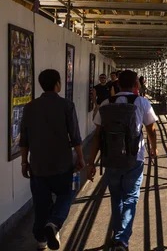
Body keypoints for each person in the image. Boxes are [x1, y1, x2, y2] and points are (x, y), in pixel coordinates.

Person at [87, 70, 158, 251]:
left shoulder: (105, 103)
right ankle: (122, 239)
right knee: (131, 198)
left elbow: (97, 135)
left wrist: (91, 162)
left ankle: (118, 235)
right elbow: (151, 128)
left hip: (111, 157)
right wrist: (153, 148)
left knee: (116, 197)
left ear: (117, 84)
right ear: (136, 85)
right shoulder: (141, 102)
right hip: (135, 157)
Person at [19, 69, 84, 251]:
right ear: (57, 83)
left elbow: (24, 139)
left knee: (41, 203)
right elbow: (75, 136)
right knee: (65, 195)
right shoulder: (66, 105)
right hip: (62, 163)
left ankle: (41, 239)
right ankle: (54, 224)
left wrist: (24, 162)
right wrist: (80, 157)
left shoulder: (30, 107)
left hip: (38, 165)